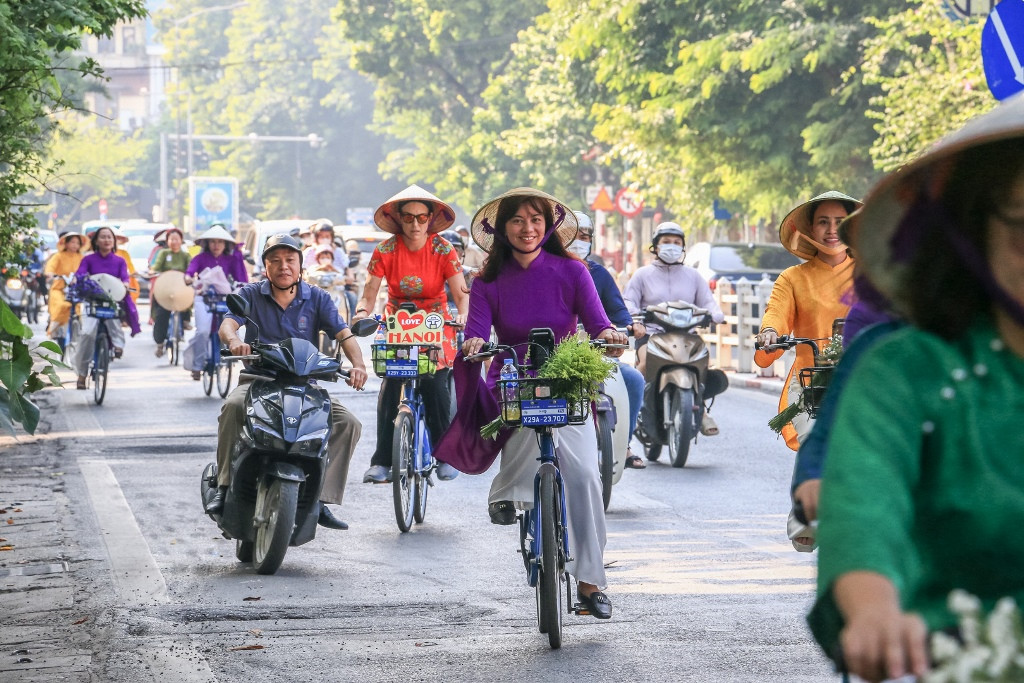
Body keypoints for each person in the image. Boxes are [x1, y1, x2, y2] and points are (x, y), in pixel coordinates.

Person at [807, 96, 1024, 683]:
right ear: (974, 232)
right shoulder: (907, 371)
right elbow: (864, 507)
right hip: (948, 658)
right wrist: (874, 611)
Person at [438, 187, 628, 619]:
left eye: (536, 220)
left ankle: (590, 583)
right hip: (514, 376)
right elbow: (478, 328)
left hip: (566, 378)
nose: (528, 229)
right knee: (522, 424)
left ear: (548, 227)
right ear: (502, 229)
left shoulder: (573, 271)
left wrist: (611, 337)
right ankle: (507, 493)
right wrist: (472, 343)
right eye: (518, 221)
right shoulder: (486, 282)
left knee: (583, 476)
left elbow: (599, 324)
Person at [204, 234, 368, 530]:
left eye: (290, 260)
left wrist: (358, 364)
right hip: (258, 380)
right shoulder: (251, 294)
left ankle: (319, 500)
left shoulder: (317, 297)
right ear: (265, 267)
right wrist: (235, 340)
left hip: (305, 385)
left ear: (300, 266)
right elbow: (228, 325)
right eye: (275, 261)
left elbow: (344, 334)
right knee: (232, 408)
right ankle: (225, 487)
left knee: (348, 423)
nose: (283, 266)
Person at [753, 191, 859, 551]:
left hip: (865, 378)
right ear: (809, 229)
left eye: (840, 222)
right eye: (823, 222)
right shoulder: (792, 278)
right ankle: (804, 512)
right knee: (816, 434)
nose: (832, 231)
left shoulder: (873, 273)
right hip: (811, 383)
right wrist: (769, 332)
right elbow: (776, 313)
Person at [352, 185, 468, 484]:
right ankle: (381, 460)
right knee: (391, 383)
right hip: (396, 323)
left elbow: (461, 294)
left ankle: (444, 453)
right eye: (408, 218)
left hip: (436, 324)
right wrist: (362, 313)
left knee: (435, 383)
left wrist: (463, 315)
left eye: (421, 217)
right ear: (398, 219)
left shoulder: (444, 249)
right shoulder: (385, 251)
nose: (415, 224)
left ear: (431, 219)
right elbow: (368, 294)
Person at [622, 222, 725, 436]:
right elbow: (628, 301)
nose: (672, 246)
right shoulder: (642, 275)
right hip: (651, 334)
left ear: (683, 247)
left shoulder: (694, 276)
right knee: (645, 365)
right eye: (666, 242)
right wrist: (635, 317)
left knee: (702, 364)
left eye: (677, 243)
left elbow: (709, 302)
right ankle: (633, 409)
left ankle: (701, 410)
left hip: (687, 335)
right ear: (655, 246)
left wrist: (716, 315)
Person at [568, 211, 647, 469]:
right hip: (558, 354)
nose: (579, 242)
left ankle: (623, 444)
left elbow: (616, 309)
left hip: (596, 352)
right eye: (572, 236)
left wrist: (629, 325)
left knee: (633, 379)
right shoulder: (546, 270)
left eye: (584, 237)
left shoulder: (599, 273)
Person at [71, 227, 141, 389]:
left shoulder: (119, 261)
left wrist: (124, 285)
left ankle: (118, 346)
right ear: (96, 241)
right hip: (92, 300)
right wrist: (76, 280)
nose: (107, 240)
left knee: (114, 323)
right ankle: (82, 375)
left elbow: (124, 277)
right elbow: (80, 274)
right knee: (87, 333)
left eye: (109, 237)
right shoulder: (88, 259)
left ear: (113, 241)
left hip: (112, 299)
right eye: (103, 237)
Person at [150, 227, 192, 357]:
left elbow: (190, 269)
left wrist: (190, 276)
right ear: (167, 241)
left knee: (189, 297)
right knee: (162, 314)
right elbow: (155, 267)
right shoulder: (163, 254)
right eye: (171, 239)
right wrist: (153, 271)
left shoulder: (185, 255)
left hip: (180, 289)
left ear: (181, 241)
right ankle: (160, 343)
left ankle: (185, 320)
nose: (174, 242)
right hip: (165, 289)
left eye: (177, 239)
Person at [44, 230, 84, 341]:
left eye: (77, 243)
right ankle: (54, 330)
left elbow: (86, 271)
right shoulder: (58, 256)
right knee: (61, 305)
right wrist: (50, 273)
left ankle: (79, 332)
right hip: (59, 289)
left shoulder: (81, 258)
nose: (75, 245)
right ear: (65, 243)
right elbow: (50, 268)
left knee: (81, 309)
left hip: (76, 290)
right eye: (72, 242)